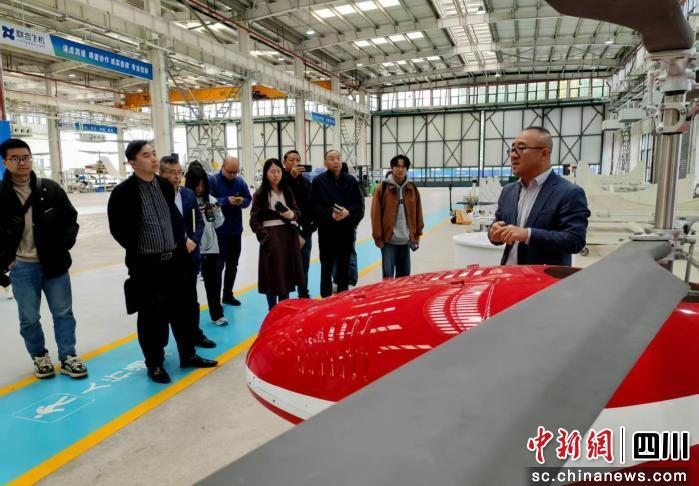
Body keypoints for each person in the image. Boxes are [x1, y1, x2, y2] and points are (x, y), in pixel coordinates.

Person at [108, 141, 217, 384]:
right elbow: (118, 229)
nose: (153, 159)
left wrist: (181, 242)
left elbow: (176, 219)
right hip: (147, 265)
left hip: (176, 261)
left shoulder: (165, 186)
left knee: (184, 311)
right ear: (133, 163)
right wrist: (140, 249)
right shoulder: (123, 192)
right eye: (146, 155)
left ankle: (188, 354)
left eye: (154, 153)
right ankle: (155, 363)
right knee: (152, 316)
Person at [0, 138, 88, 379]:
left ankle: (68, 356)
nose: (22, 162)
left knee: (63, 313)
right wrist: (6, 260)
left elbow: (70, 220)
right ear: (5, 162)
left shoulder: (49, 189)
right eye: (15, 158)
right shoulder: (1, 195)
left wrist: (63, 247)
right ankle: (40, 356)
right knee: (29, 318)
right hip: (21, 267)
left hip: (54, 264)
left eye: (26, 157)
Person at [488, 127, 590, 266]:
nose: (513, 155)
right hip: (508, 274)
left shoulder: (569, 193)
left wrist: (527, 235)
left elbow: (575, 240)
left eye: (521, 148)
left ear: (544, 154)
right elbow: (497, 225)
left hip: (542, 277)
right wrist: (493, 233)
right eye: (512, 150)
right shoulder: (508, 191)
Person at [159, 155, 215, 349]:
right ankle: (162, 345)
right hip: (167, 256)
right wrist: (182, 241)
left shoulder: (188, 194)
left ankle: (195, 334)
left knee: (191, 299)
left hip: (190, 254)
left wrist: (194, 240)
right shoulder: (157, 197)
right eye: (172, 173)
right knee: (167, 303)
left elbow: (199, 221)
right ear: (161, 174)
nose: (177, 176)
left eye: (179, 172)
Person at [249, 158, 304, 310]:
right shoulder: (260, 194)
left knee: (286, 275)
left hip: (287, 238)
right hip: (271, 240)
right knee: (272, 276)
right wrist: (266, 237)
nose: (276, 175)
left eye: (278, 171)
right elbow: (254, 221)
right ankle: (272, 309)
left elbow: (297, 212)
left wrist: (292, 214)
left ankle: (284, 309)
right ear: (266, 174)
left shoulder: (287, 191)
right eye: (272, 171)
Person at [311, 149, 364, 298]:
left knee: (344, 265)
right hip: (326, 231)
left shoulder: (351, 181)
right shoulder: (318, 181)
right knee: (326, 266)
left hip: (345, 230)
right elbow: (314, 205)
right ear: (325, 163)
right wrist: (330, 214)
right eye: (332, 158)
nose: (336, 161)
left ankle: (342, 297)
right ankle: (326, 297)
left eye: (338, 158)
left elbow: (358, 205)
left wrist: (348, 212)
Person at [184, 164, 228, 326]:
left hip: (211, 248)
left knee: (214, 284)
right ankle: (190, 321)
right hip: (190, 248)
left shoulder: (211, 199)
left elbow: (218, 224)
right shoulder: (184, 200)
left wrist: (216, 211)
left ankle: (217, 314)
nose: (200, 189)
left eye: (203, 185)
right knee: (189, 287)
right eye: (197, 185)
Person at [371, 155, 424, 278]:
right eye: (397, 166)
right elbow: (375, 215)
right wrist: (378, 237)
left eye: (403, 167)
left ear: (407, 169)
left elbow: (418, 213)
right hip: (388, 241)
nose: (400, 169)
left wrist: (417, 234)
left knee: (404, 277)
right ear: (392, 168)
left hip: (406, 240)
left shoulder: (412, 189)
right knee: (388, 277)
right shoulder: (382, 188)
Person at [209, 156, 252, 306]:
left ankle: (228, 294)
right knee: (218, 266)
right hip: (219, 232)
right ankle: (215, 299)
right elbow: (208, 203)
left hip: (235, 230)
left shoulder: (240, 182)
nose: (233, 175)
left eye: (236, 172)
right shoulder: (213, 181)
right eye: (230, 172)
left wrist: (242, 202)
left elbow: (248, 199)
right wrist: (227, 201)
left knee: (233, 265)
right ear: (222, 167)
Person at [282, 150, 316, 298]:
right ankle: (285, 296)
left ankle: (303, 293)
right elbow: (284, 198)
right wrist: (291, 178)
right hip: (286, 230)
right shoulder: (281, 181)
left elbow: (312, 204)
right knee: (285, 264)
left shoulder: (306, 182)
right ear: (285, 163)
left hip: (305, 229)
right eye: (292, 160)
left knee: (304, 264)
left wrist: (312, 226)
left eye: (298, 160)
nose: (296, 163)